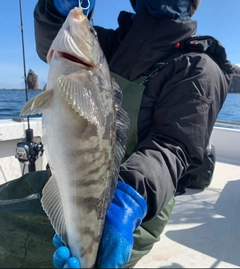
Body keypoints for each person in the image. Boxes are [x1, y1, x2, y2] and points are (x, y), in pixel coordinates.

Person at [0, 0, 235, 268]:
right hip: (74, 181)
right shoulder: (113, 43)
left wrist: (128, 200)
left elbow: (173, 148)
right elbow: (54, 41)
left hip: (133, 210)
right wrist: (55, 8)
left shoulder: (200, 67)